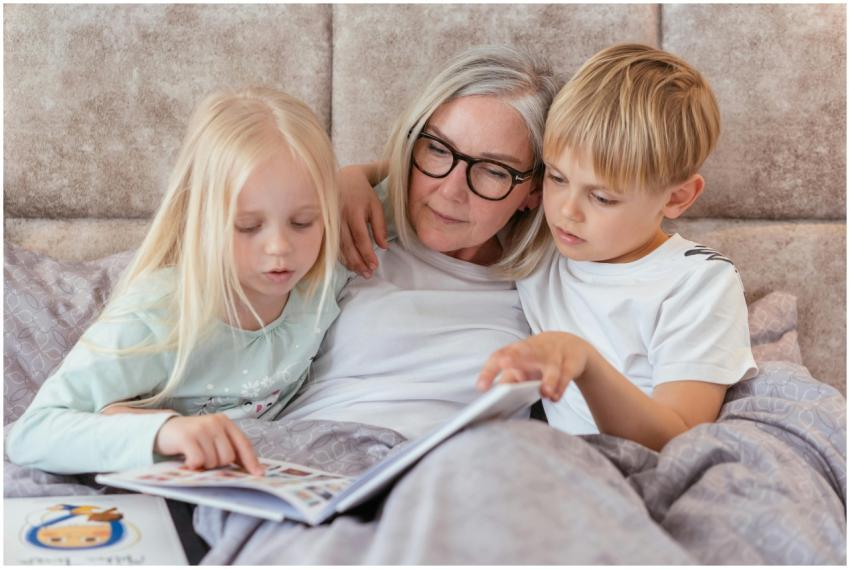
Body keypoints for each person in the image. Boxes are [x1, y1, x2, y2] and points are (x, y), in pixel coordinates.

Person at [6, 86, 343, 475]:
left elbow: (405, 190)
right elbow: (30, 433)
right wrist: (161, 432)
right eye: (248, 226)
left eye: (303, 222)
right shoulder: (158, 316)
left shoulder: (323, 276)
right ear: (200, 219)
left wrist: (357, 179)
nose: (280, 248)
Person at [476, 44, 758, 451]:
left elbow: (679, 439)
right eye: (556, 177)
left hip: (631, 472)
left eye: (602, 198)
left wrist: (584, 362)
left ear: (677, 199)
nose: (566, 211)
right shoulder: (542, 239)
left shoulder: (698, 283)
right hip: (549, 467)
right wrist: (363, 179)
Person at [277, 45, 560, 439]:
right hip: (315, 454)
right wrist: (350, 178)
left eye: (494, 171)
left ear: (534, 192)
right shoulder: (352, 226)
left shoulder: (554, 278)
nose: (450, 191)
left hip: (465, 472)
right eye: (438, 149)